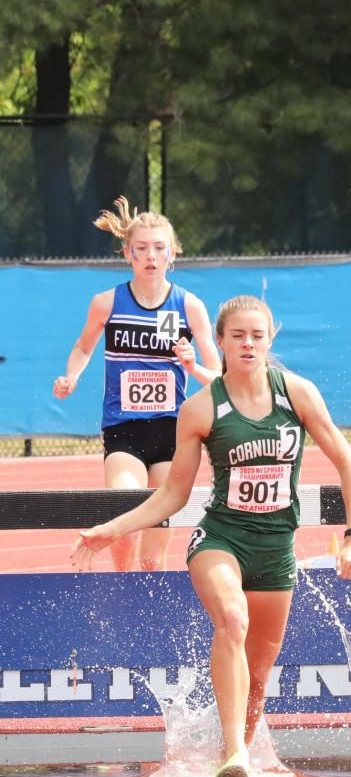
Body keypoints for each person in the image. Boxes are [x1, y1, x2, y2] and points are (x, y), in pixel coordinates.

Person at [72, 295, 351, 777]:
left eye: (257, 335)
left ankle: (236, 748)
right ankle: (235, 754)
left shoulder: (297, 393)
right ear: (222, 341)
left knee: (257, 676)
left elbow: (347, 462)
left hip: (276, 549)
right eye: (238, 336)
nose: (248, 344)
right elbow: (172, 494)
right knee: (233, 619)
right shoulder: (201, 408)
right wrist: (113, 529)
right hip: (220, 538)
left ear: (271, 338)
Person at [53, 196, 221, 572]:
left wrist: (193, 367)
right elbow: (82, 348)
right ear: (128, 252)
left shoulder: (188, 306)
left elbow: (218, 374)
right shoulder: (107, 302)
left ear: (171, 253)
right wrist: (72, 376)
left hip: (171, 433)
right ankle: (120, 584)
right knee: (124, 509)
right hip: (123, 429)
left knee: (153, 555)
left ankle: (149, 612)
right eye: (141, 248)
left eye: (159, 248)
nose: (150, 255)